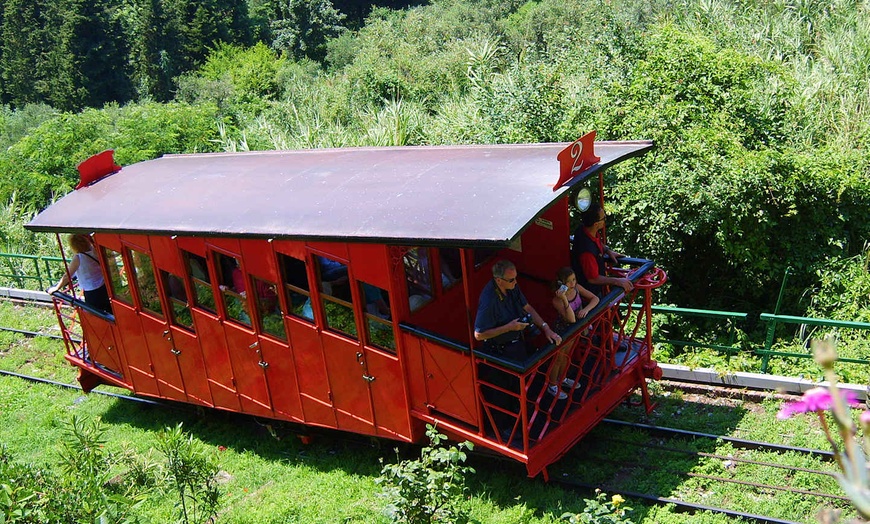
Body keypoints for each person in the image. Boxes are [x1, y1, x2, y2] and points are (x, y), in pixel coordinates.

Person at [474, 259, 561, 360]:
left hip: (518, 340)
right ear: (498, 280)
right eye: (511, 280)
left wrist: (546, 329)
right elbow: (479, 335)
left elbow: (527, 307)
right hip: (500, 352)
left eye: (515, 277)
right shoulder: (489, 300)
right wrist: (509, 327)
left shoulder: (511, 285)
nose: (515, 282)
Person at [548, 267, 599, 399]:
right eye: (569, 281)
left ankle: (562, 378)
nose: (572, 283)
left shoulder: (577, 289)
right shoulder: (557, 300)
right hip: (562, 331)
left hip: (575, 328)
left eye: (574, 279)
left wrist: (586, 310)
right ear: (561, 283)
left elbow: (595, 299)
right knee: (559, 357)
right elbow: (570, 319)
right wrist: (564, 298)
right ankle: (552, 385)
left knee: (567, 355)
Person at [571, 203, 633, 297]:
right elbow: (593, 279)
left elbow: (595, 242)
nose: (605, 220)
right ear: (596, 224)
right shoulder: (587, 253)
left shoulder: (584, 230)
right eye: (603, 218)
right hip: (591, 295)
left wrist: (607, 250)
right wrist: (617, 281)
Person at [47, 234, 111, 313]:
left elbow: (67, 275)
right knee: (108, 309)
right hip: (103, 285)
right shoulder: (94, 250)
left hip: (91, 290)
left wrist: (57, 287)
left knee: (95, 313)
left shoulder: (78, 257)